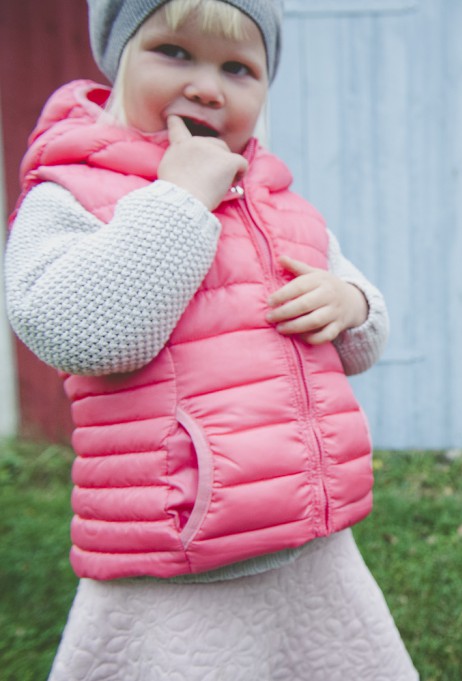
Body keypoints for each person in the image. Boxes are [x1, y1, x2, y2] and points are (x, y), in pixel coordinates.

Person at [4, 1, 417, 678]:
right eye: (174, 52)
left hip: (308, 545)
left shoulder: (276, 201)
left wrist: (350, 304)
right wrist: (181, 199)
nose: (206, 84)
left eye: (238, 67)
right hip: (176, 558)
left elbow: (360, 343)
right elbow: (81, 332)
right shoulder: (71, 190)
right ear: (119, 58)